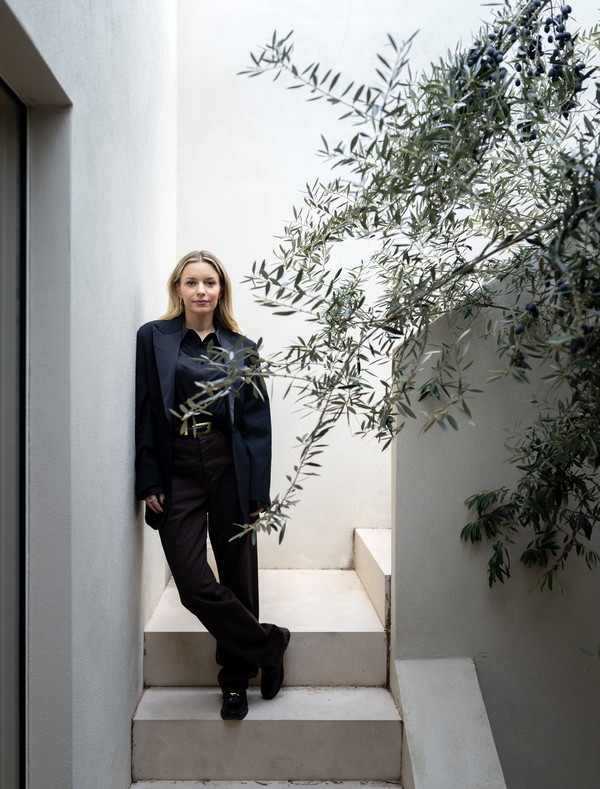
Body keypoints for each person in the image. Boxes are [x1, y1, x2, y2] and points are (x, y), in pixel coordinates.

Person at [135, 249, 290, 720]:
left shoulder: (243, 348)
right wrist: (149, 477)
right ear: (177, 289)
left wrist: (257, 492)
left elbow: (257, 426)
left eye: (210, 282)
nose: (201, 290)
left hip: (228, 466)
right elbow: (145, 409)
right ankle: (269, 646)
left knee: (237, 575)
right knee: (193, 583)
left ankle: (235, 682)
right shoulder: (154, 338)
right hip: (177, 466)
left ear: (221, 290)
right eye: (191, 282)